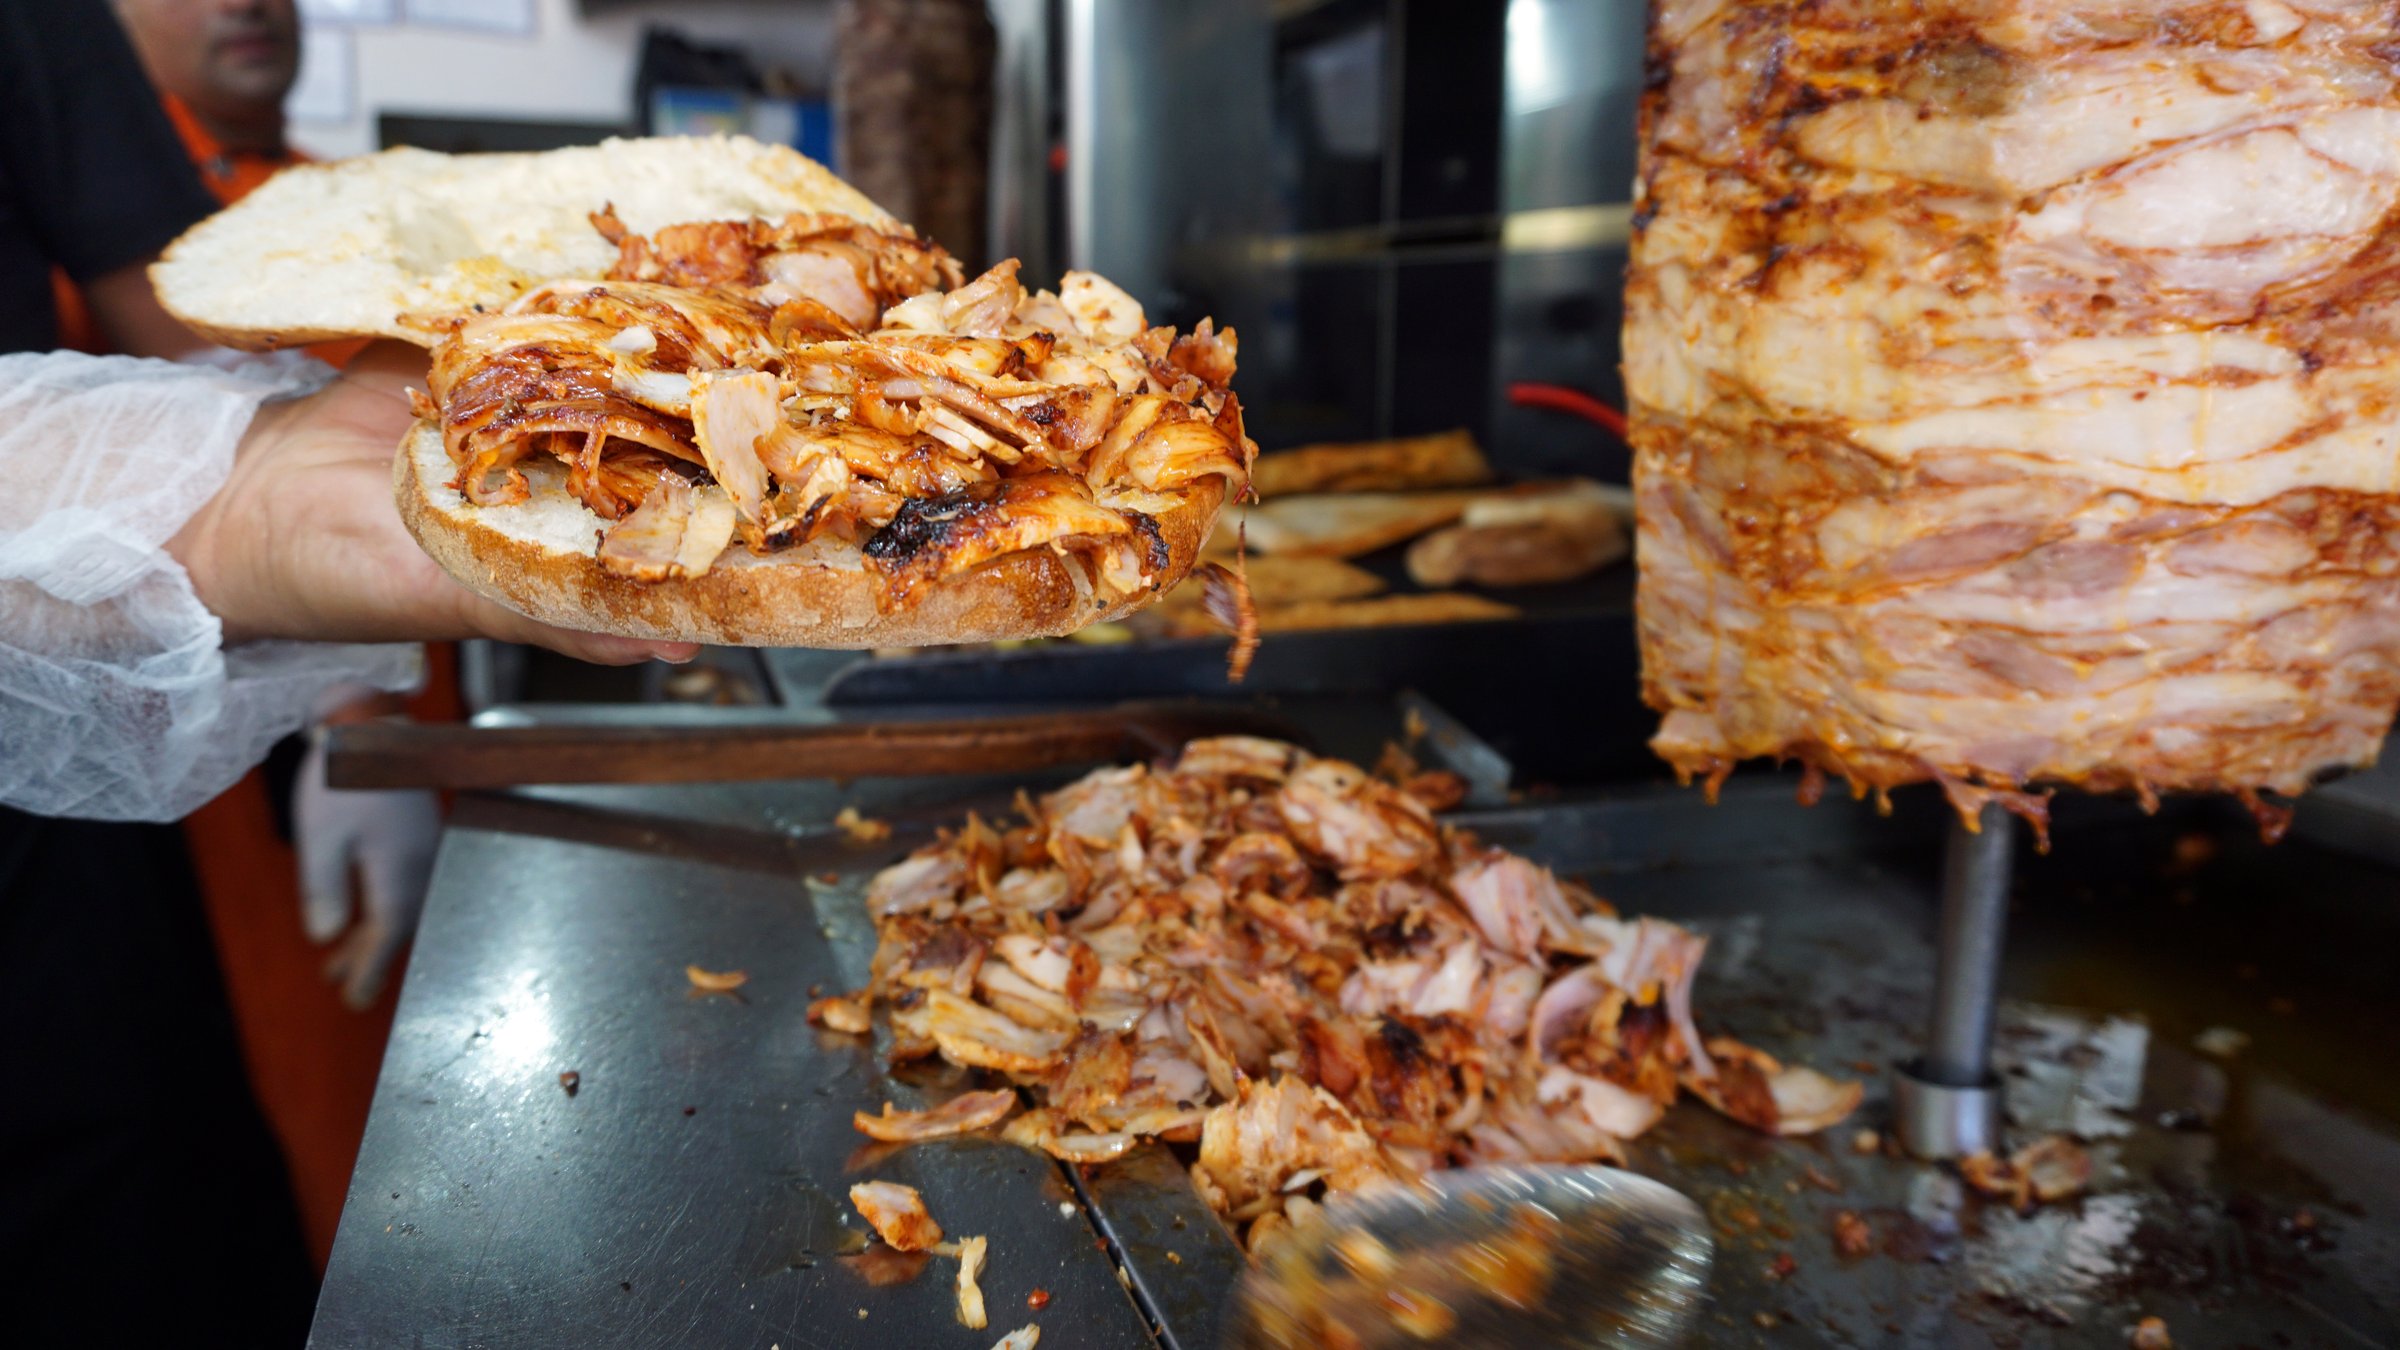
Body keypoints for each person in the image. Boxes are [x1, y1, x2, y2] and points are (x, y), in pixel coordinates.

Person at [0, 4, 692, 1345]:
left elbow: (187, 357)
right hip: (165, 719)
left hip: (84, 808)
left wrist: (326, 658)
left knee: (162, 1232)